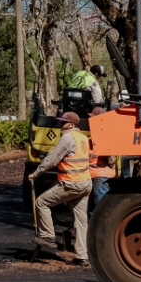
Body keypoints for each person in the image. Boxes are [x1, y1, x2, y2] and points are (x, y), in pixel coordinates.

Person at [29, 111, 91, 265]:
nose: (60, 125)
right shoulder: (83, 138)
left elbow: (52, 158)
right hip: (85, 183)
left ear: (72, 124)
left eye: (63, 122)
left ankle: (48, 235)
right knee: (81, 221)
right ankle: (82, 256)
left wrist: (36, 173)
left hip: (71, 183)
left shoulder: (67, 138)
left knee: (41, 203)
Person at [87, 108, 116, 215]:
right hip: (95, 175)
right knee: (92, 206)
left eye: (93, 118)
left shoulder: (103, 134)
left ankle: (101, 228)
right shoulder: (97, 134)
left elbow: (110, 158)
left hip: (101, 175)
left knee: (100, 206)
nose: (90, 120)